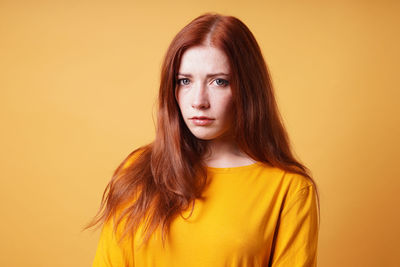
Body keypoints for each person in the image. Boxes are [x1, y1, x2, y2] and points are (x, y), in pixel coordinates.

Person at [86, 12, 319, 267]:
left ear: (248, 89)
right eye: (184, 81)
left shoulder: (289, 188)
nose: (198, 101)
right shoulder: (139, 170)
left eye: (219, 82)